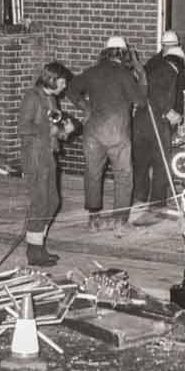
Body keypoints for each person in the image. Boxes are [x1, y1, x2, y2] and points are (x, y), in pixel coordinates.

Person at [65, 36, 148, 230]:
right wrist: (141, 73)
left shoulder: (92, 72)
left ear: (105, 53)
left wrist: (85, 107)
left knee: (93, 174)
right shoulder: (124, 75)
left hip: (93, 133)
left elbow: (70, 89)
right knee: (124, 176)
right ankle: (119, 220)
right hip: (118, 134)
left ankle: (93, 219)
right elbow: (141, 101)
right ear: (123, 54)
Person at [132, 31, 185, 221]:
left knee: (143, 159)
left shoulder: (166, 68)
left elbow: (147, 88)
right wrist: (168, 111)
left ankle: (141, 197)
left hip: (143, 120)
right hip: (156, 120)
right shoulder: (166, 70)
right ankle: (157, 202)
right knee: (161, 161)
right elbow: (152, 92)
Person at [18, 61, 75, 266]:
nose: (64, 86)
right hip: (34, 155)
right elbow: (23, 128)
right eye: (62, 82)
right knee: (40, 202)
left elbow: (54, 130)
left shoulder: (51, 99)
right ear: (51, 79)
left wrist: (64, 132)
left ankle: (38, 245)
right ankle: (34, 252)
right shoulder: (32, 97)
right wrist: (49, 131)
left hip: (48, 153)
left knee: (52, 202)